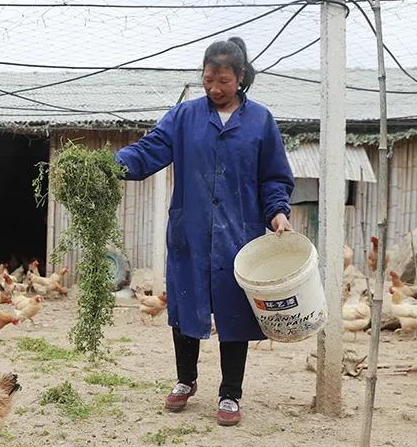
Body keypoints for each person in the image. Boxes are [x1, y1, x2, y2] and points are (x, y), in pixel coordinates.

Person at [115, 37, 294, 426]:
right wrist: (111, 165)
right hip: (191, 230)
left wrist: (278, 212)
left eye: (224, 81)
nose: (214, 88)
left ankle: (230, 394)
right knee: (184, 303)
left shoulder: (260, 121)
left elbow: (274, 177)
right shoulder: (184, 117)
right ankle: (186, 380)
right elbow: (149, 151)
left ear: (241, 78)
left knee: (235, 311)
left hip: (238, 234)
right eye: (208, 79)